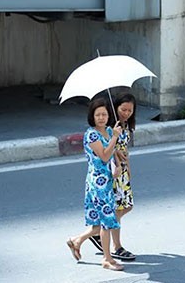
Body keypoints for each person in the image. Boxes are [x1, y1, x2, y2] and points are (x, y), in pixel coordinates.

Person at [66, 98, 124, 271]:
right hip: (97, 183)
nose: (101, 117)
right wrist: (114, 137)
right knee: (106, 221)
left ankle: (76, 241)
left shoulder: (108, 130)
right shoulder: (91, 134)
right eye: (97, 114)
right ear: (92, 116)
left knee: (98, 224)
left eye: (104, 114)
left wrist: (118, 165)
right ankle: (107, 259)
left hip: (107, 180)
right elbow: (104, 156)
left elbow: (113, 154)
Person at [88, 92, 137, 261]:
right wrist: (116, 153)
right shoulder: (110, 127)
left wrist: (128, 167)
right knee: (117, 209)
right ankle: (116, 246)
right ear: (116, 108)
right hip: (112, 172)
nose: (127, 113)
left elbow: (124, 149)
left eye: (130, 110)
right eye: (123, 109)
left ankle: (95, 233)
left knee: (127, 206)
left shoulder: (125, 125)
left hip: (123, 171)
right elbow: (106, 149)